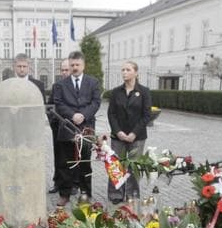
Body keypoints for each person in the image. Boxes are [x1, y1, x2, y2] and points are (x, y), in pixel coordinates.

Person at [51, 51, 101, 205]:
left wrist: (83, 115)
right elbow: (58, 103)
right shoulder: (60, 85)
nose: (74, 67)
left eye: (77, 65)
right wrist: (72, 115)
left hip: (86, 128)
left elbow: (96, 102)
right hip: (67, 128)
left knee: (85, 163)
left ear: (83, 65)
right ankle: (64, 194)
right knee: (65, 163)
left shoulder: (93, 82)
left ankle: (85, 193)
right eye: (72, 65)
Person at [106, 61, 152, 204]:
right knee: (116, 166)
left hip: (136, 137)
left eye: (128, 69)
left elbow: (146, 115)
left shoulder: (144, 92)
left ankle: (132, 194)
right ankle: (115, 195)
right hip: (118, 137)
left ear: (136, 73)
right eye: (123, 70)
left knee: (134, 166)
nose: (124, 72)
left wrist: (134, 133)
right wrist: (118, 131)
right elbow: (111, 114)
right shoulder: (116, 92)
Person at [47, 58, 71, 194]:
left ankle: (73, 184)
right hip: (58, 128)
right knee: (59, 156)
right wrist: (52, 123)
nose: (64, 72)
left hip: (72, 129)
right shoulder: (57, 86)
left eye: (66, 70)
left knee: (72, 157)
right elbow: (49, 107)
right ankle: (58, 182)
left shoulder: (76, 87)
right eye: (62, 70)